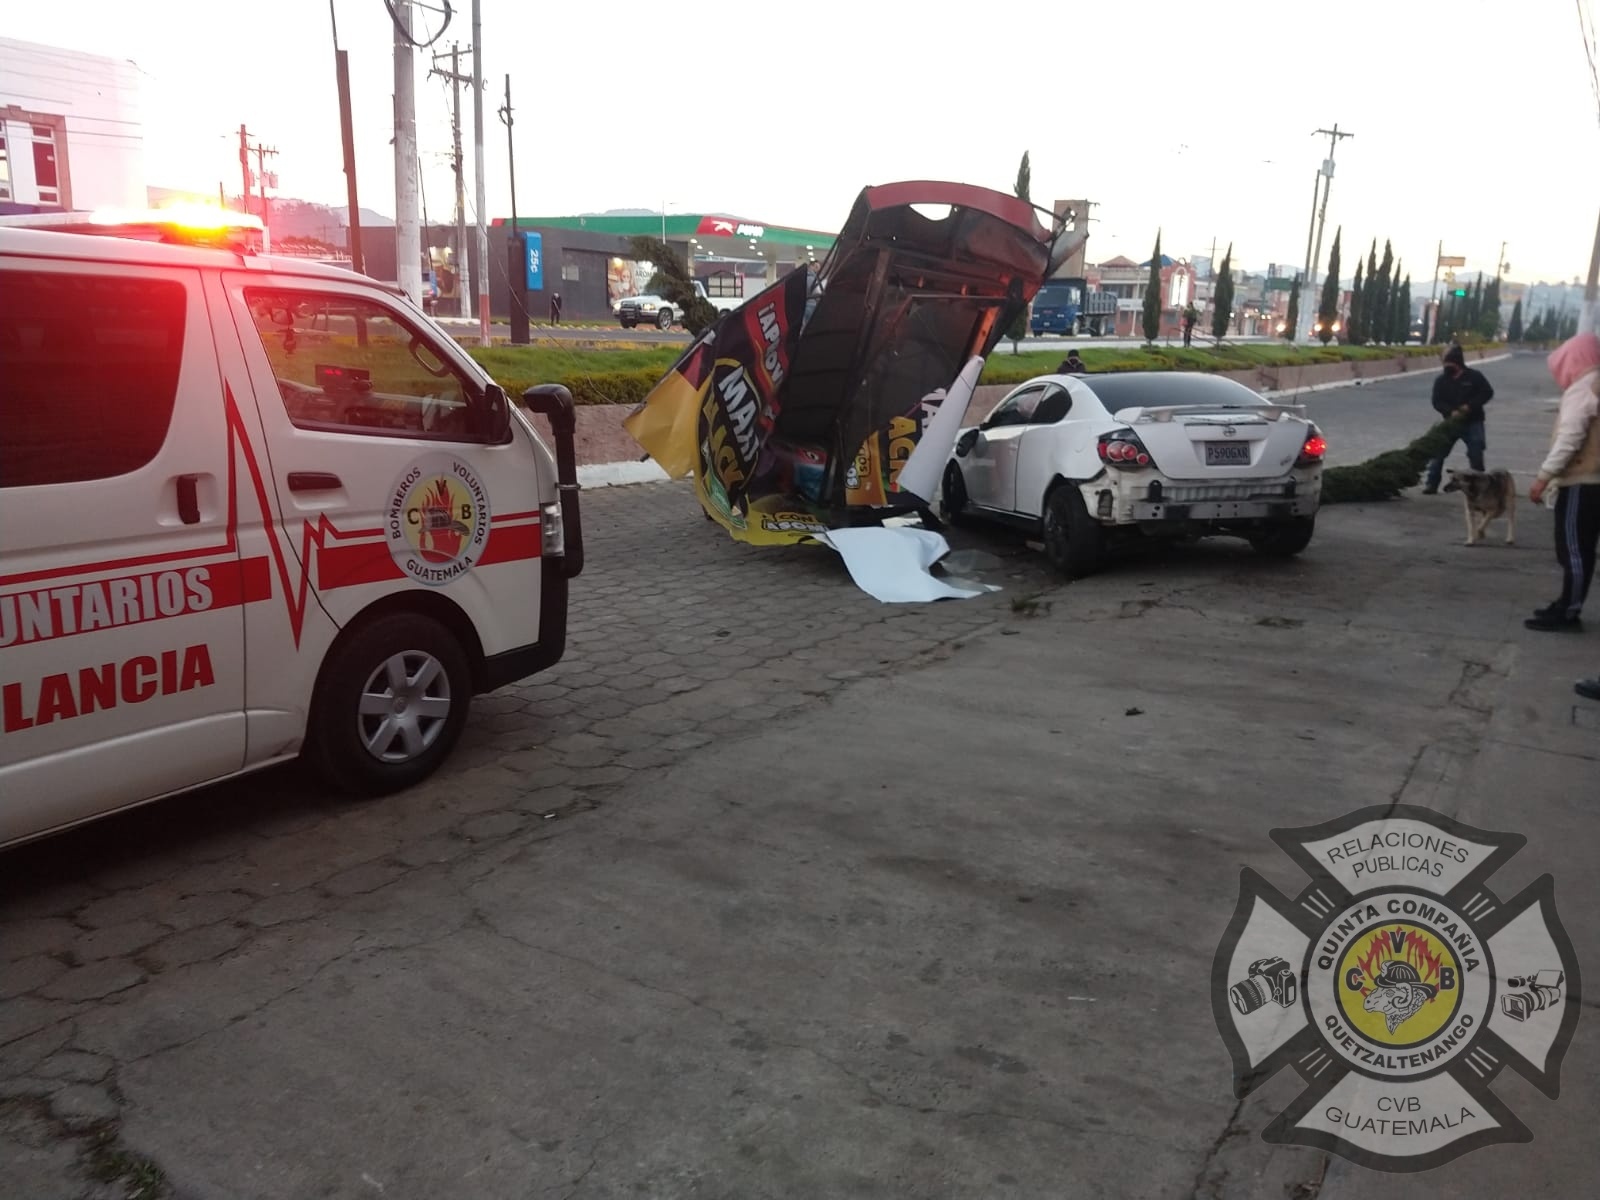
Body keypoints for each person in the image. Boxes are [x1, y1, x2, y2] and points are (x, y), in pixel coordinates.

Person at [1525, 332, 1600, 639]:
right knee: (1580, 550)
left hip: (1582, 480)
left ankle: (1567, 611)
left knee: (1573, 549)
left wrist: (1543, 477)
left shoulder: (1585, 387)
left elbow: (1571, 437)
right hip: (1593, 480)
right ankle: (1566, 603)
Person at [1421, 344, 1494, 493]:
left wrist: (1470, 406)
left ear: (1458, 363)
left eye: (1449, 363)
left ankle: (1479, 484)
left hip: (1473, 421)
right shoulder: (1441, 380)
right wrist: (1450, 411)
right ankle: (1431, 483)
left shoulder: (1474, 377)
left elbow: (1487, 392)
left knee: (1476, 452)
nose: (1446, 366)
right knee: (1438, 452)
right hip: (1450, 423)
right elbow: (1437, 401)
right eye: (1445, 363)